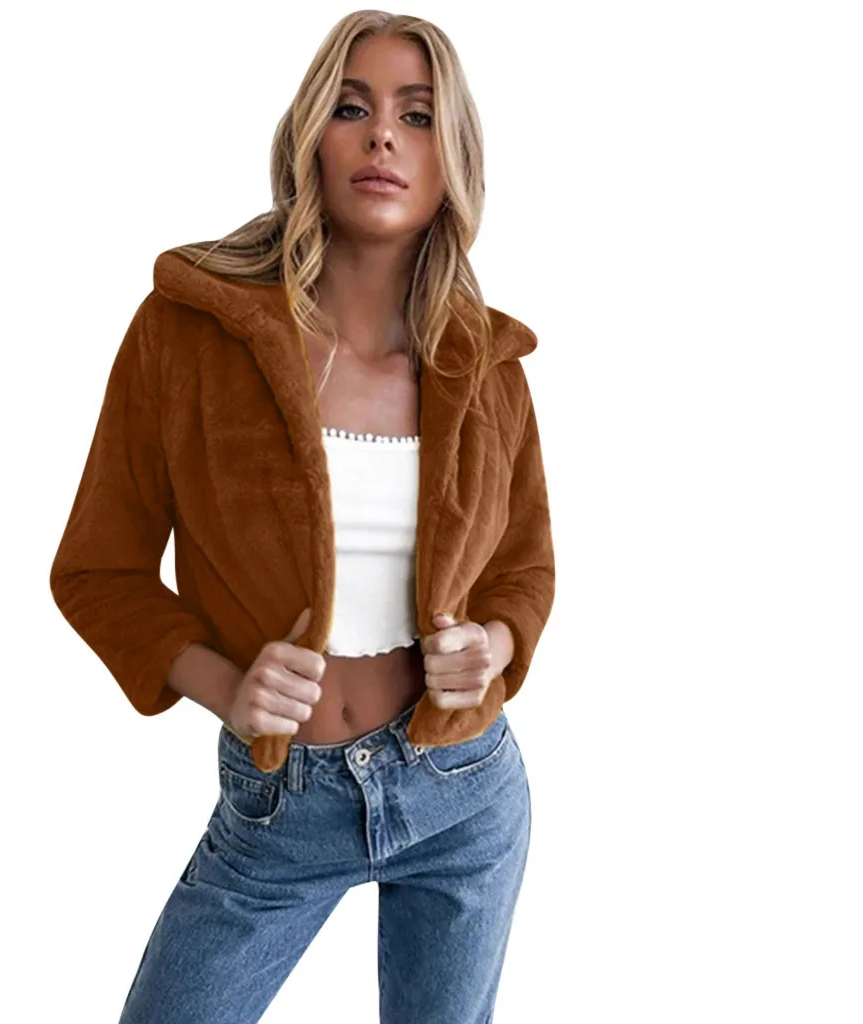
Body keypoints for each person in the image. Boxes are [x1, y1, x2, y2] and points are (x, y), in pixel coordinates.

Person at [49, 11, 555, 1023]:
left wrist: (494, 645)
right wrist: (226, 687)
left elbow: (525, 568)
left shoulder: (485, 365)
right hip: (281, 805)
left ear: (451, 161)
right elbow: (96, 571)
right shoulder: (188, 333)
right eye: (352, 107)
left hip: (463, 788)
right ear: (308, 138)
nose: (383, 135)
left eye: (418, 115)